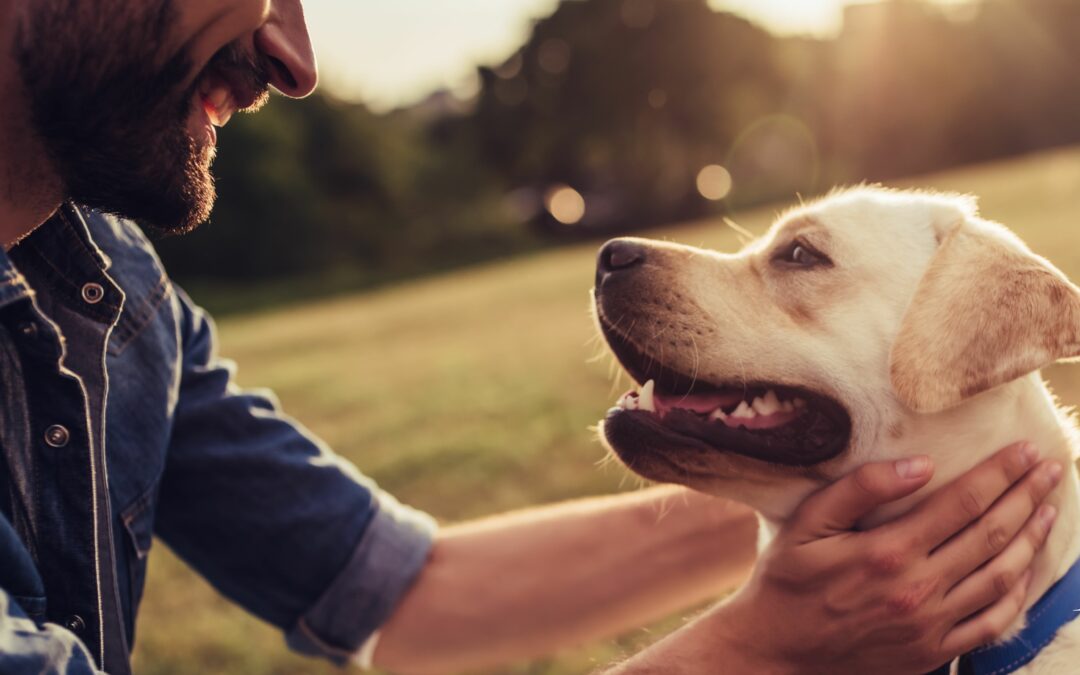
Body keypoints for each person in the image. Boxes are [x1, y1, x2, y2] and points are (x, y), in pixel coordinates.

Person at [0, 1, 1061, 674]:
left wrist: (892, 498)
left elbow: (401, 589)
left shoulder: (104, 291)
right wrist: (757, 650)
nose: (293, 54)